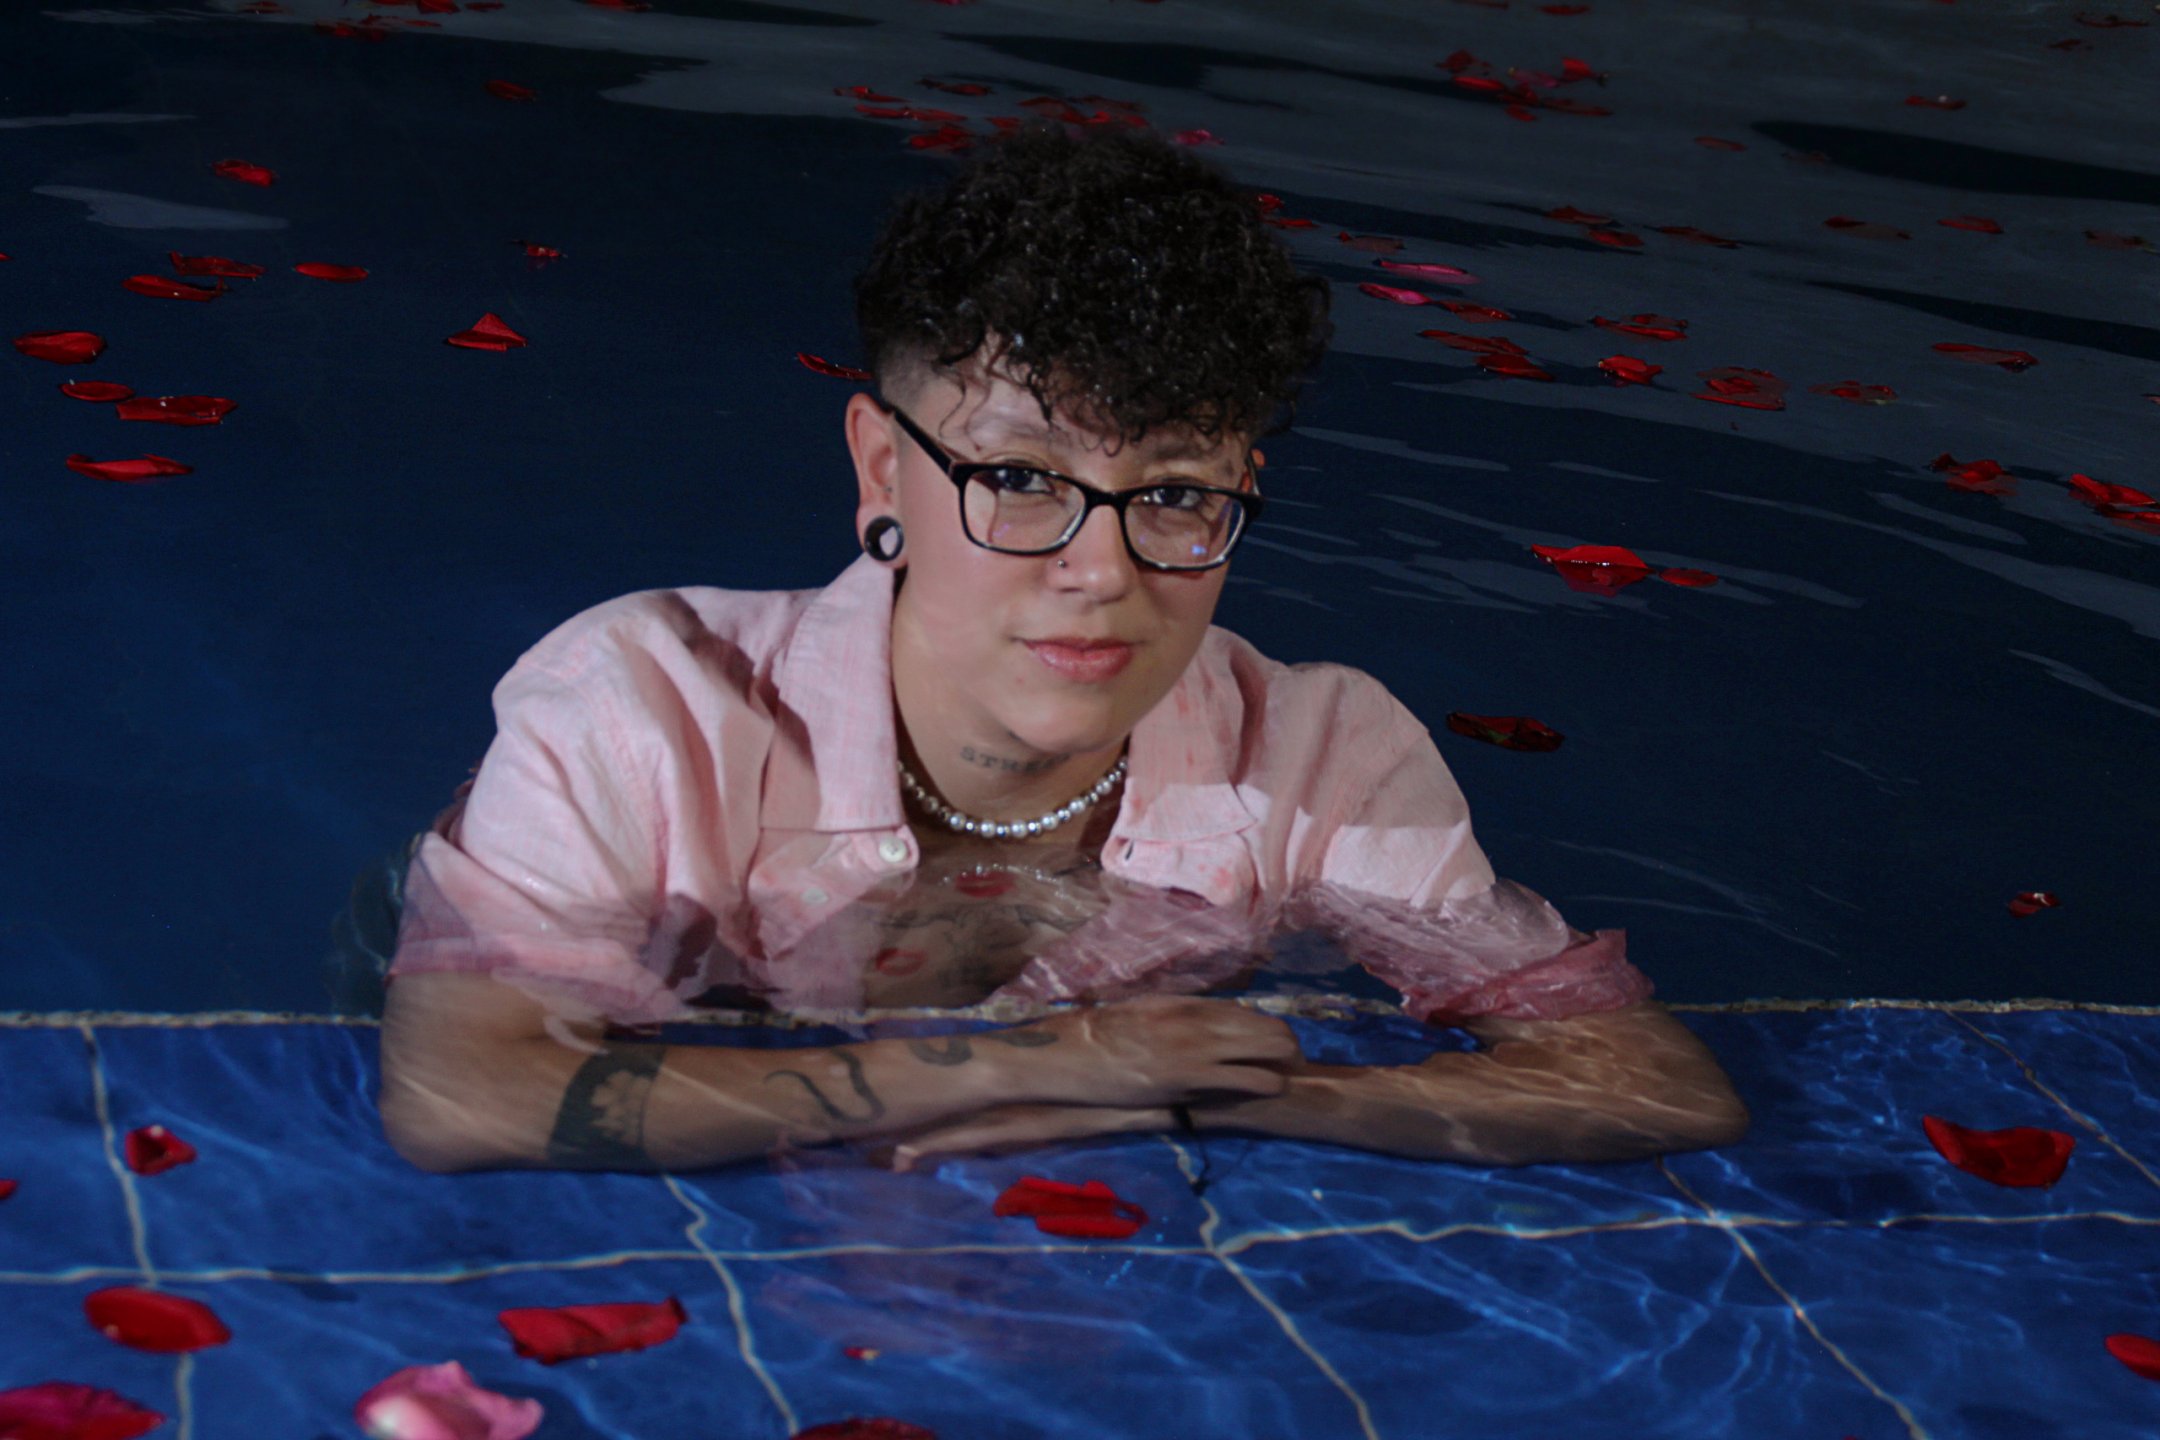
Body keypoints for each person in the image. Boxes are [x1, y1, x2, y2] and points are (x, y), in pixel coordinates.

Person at [378, 125, 1748, 1176]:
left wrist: (1202, 1094)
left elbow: (1651, 1084)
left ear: (1239, 490)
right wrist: (1013, 1072)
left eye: (1174, 493)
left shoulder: (1320, 754)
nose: (1102, 573)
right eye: (1022, 479)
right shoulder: (645, 705)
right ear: (883, 472)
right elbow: (454, 1092)